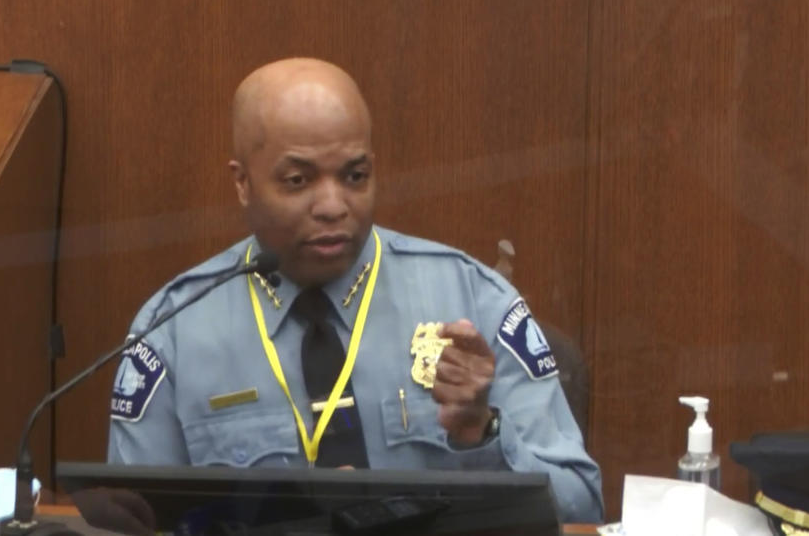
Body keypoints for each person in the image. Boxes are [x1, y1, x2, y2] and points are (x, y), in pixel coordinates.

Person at [107, 57, 603, 522]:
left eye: (355, 176)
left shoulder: (473, 300)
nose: (332, 205)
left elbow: (581, 507)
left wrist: (481, 433)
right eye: (298, 180)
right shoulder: (173, 332)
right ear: (242, 184)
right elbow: (131, 522)